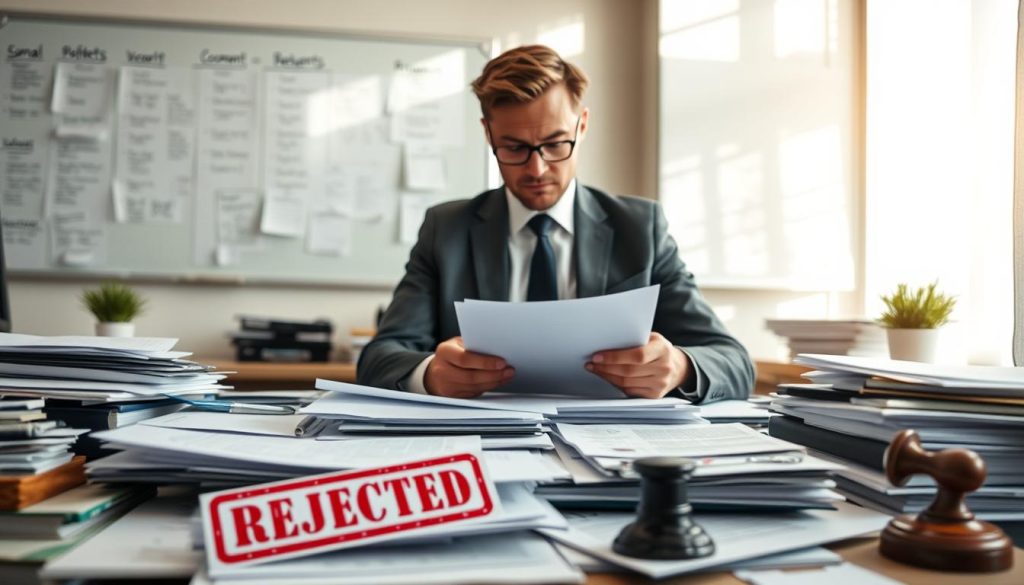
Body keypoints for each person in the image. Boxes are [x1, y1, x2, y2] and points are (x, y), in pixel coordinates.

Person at [357, 45, 753, 403]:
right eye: (514, 148)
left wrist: (679, 366)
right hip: (483, 441)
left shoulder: (640, 227)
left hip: (612, 444)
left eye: (554, 144)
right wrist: (430, 375)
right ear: (488, 133)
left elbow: (733, 361)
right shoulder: (447, 229)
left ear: (581, 126)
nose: (537, 168)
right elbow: (380, 357)